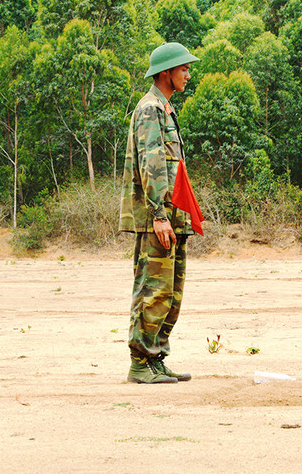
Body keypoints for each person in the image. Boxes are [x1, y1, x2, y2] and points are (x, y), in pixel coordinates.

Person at [120, 42, 199, 384]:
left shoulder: (165, 108)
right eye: (183, 68)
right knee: (153, 290)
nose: (187, 74)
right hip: (159, 218)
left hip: (172, 216)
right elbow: (151, 163)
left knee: (171, 292)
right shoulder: (150, 108)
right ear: (166, 72)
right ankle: (140, 363)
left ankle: (156, 358)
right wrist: (158, 214)